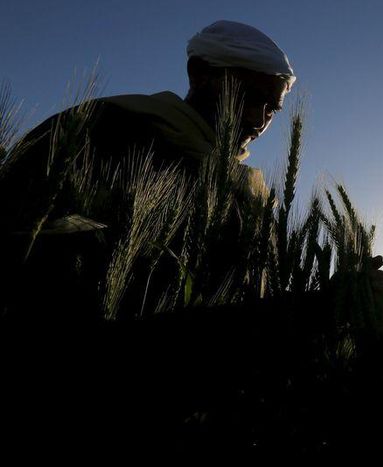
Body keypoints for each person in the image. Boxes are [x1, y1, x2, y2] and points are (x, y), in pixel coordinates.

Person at [0, 20, 296, 318]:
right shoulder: (104, 128)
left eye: (272, 109)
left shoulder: (249, 193)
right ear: (199, 73)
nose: (259, 121)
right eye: (249, 96)